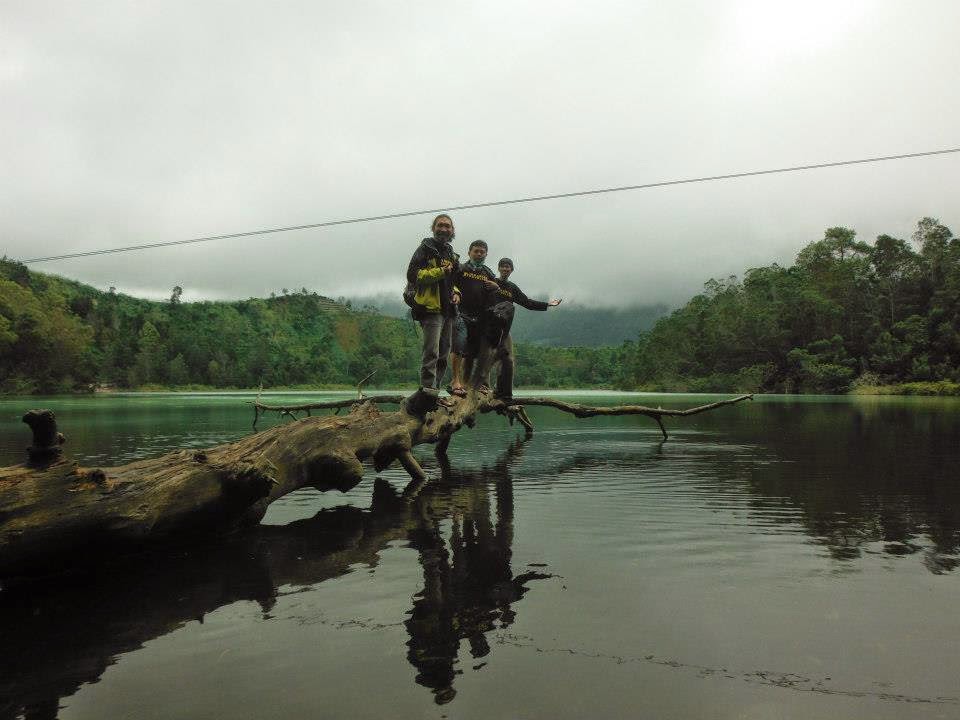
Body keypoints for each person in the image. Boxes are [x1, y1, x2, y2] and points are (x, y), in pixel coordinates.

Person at [405, 214, 461, 410]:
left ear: (452, 231)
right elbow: (412, 275)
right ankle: (427, 394)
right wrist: (439, 272)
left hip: (448, 310)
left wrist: (456, 293)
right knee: (431, 353)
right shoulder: (424, 249)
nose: (444, 229)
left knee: (444, 354)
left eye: (448, 226)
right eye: (440, 225)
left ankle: (433, 394)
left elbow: (453, 282)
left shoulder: (451, 253)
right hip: (430, 309)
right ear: (433, 228)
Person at [490, 257, 562, 400]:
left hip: (504, 330)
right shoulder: (492, 282)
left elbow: (527, 303)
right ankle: (483, 389)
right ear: (498, 268)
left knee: (508, 360)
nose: (505, 269)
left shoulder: (512, 288)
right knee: (486, 358)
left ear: (512, 270)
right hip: (489, 327)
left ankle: (505, 393)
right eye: (503, 266)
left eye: (508, 267)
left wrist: (548, 304)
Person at [449, 240, 500, 395]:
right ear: (469, 252)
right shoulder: (461, 269)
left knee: (476, 352)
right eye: (476, 251)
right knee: (459, 346)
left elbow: (493, 298)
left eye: (482, 252)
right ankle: (456, 381)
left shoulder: (489, 273)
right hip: (460, 313)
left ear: (486, 254)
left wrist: (496, 287)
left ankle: (475, 384)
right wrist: (455, 293)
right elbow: (449, 284)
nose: (479, 254)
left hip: (480, 318)